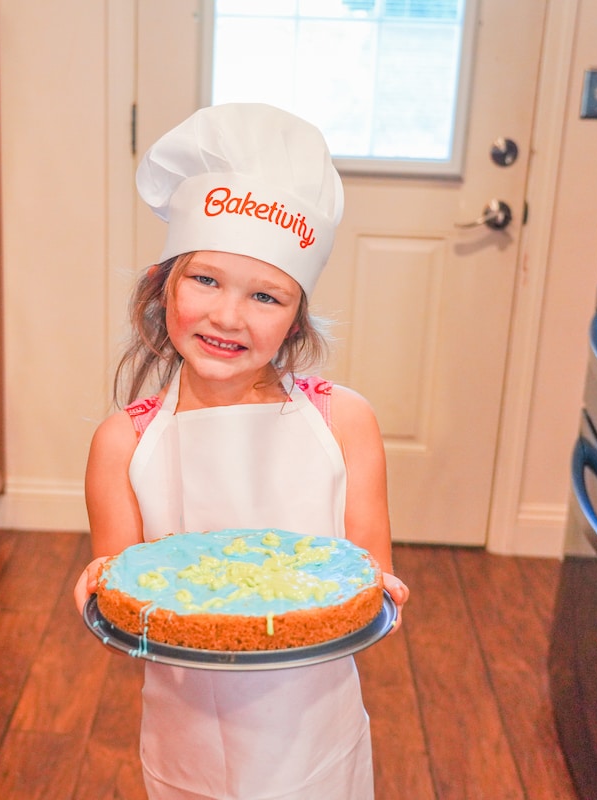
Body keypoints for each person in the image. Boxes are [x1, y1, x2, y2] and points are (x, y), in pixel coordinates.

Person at [73, 102, 410, 800]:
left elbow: (366, 570)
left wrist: (383, 587)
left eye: (266, 296)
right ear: (162, 287)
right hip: (184, 728)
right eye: (204, 280)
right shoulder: (122, 443)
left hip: (315, 726)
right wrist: (96, 589)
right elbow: (121, 579)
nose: (229, 316)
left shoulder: (342, 422)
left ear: (294, 321)